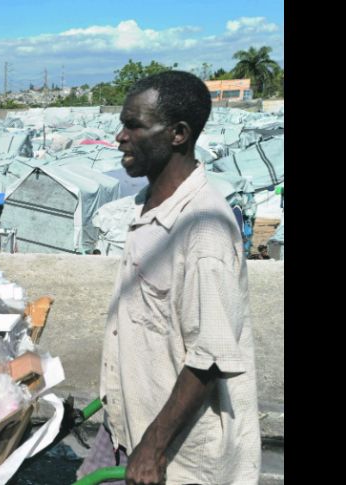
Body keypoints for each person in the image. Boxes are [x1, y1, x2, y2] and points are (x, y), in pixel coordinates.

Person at [76, 71, 260, 485]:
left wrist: (154, 447)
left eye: (134, 125)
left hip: (177, 456)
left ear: (178, 134)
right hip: (129, 428)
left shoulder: (202, 230)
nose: (120, 137)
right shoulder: (147, 206)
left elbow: (210, 357)